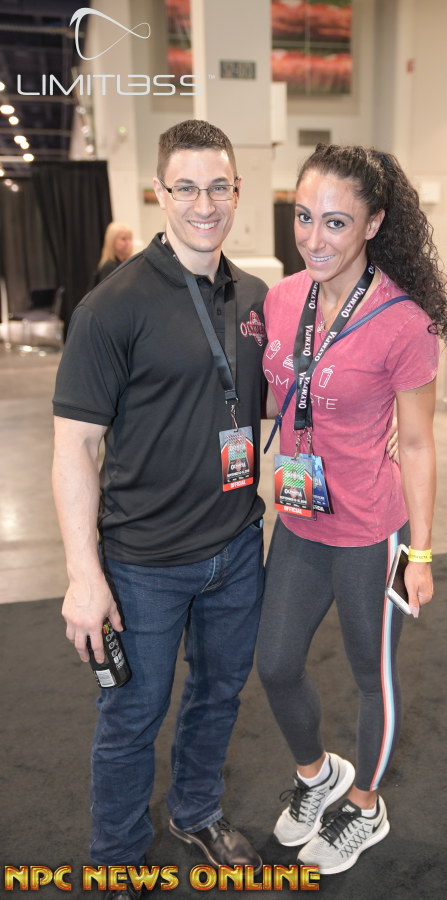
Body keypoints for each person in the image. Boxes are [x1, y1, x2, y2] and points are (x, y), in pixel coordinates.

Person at [52, 120, 268, 900]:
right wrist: (85, 577)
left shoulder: (258, 300)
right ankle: (116, 853)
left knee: (218, 694)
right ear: (159, 193)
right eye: (186, 187)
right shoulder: (110, 307)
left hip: (237, 548)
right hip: (142, 564)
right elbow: (74, 447)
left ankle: (196, 811)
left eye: (218, 186)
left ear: (238, 190)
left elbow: (289, 403)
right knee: (132, 715)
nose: (204, 204)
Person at [257, 143, 447, 875]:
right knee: (275, 665)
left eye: (336, 222)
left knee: (375, 678)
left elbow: (420, 444)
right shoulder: (282, 300)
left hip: (374, 531)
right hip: (300, 518)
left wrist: (421, 553)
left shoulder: (404, 321)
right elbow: (274, 398)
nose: (314, 238)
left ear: (373, 223)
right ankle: (319, 776)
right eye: (304, 217)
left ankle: (366, 807)